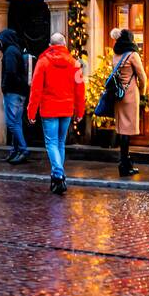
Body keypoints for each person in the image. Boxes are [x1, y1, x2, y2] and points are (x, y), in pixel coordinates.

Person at [26, 33, 86, 195]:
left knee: (52, 143)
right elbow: (80, 89)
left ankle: (58, 175)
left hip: (49, 109)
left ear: (50, 45)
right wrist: (80, 111)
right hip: (66, 109)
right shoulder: (75, 64)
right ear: (65, 44)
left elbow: (36, 90)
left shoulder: (43, 62)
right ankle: (57, 175)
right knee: (59, 143)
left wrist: (31, 112)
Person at [111, 29, 149, 177]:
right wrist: (143, 93)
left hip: (118, 94)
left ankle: (124, 162)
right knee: (128, 129)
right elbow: (142, 77)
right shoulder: (132, 55)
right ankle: (125, 165)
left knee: (122, 128)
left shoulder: (115, 55)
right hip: (131, 94)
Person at [0, 28, 31, 165]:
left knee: (12, 123)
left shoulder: (10, 52)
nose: (0, 44)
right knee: (17, 122)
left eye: (1, 41)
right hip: (20, 92)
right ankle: (15, 151)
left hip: (13, 92)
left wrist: (4, 86)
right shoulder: (17, 50)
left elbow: (10, 72)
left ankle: (23, 149)